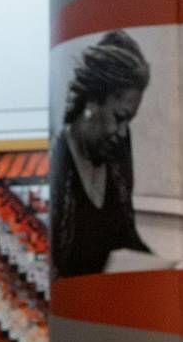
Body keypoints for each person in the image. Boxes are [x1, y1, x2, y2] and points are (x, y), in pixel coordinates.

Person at [48, 30, 153, 278]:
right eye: (119, 117)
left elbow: (128, 237)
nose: (122, 131)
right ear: (92, 102)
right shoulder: (56, 157)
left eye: (129, 121)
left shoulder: (118, 146)